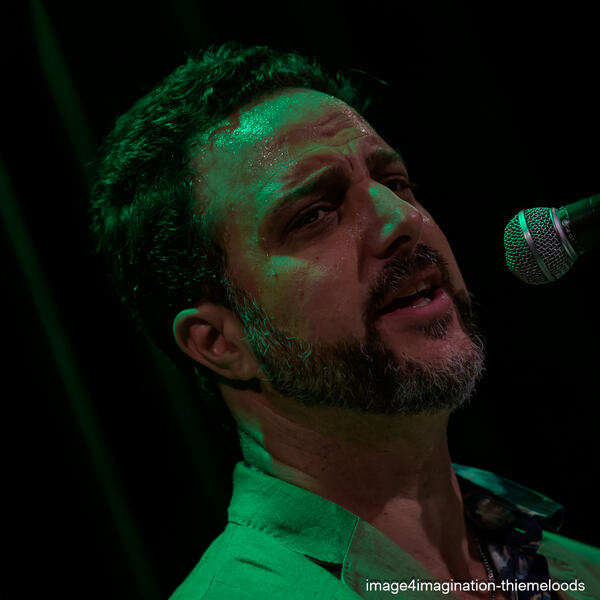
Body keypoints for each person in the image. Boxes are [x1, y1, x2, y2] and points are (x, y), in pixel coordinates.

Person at [90, 42, 599, 600]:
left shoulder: (580, 571)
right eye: (313, 214)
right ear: (219, 342)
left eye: (395, 182)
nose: (402, 219)